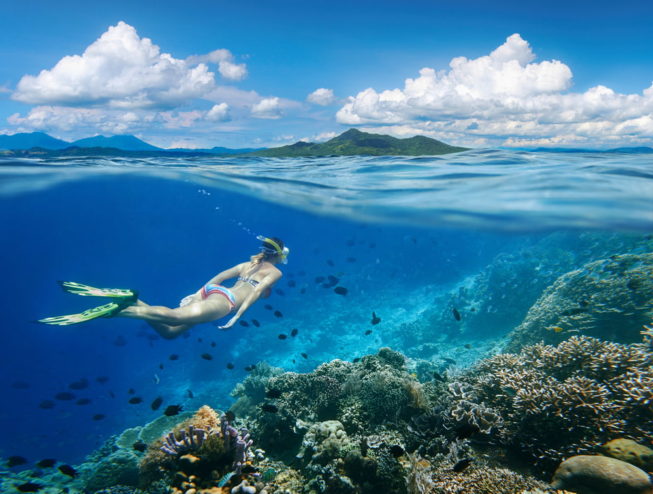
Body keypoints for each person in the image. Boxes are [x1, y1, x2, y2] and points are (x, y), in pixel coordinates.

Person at [38, 236, 289, 339]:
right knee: (172, 315)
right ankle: (117, 308)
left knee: (170, 331)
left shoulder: (247, 263)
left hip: (216, 295)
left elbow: (217, 279)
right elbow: (255, 293)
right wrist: (236, 317)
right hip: (225, 304)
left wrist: (198, 293)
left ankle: (133, 303)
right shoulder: (276, 272)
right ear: (279, 256)